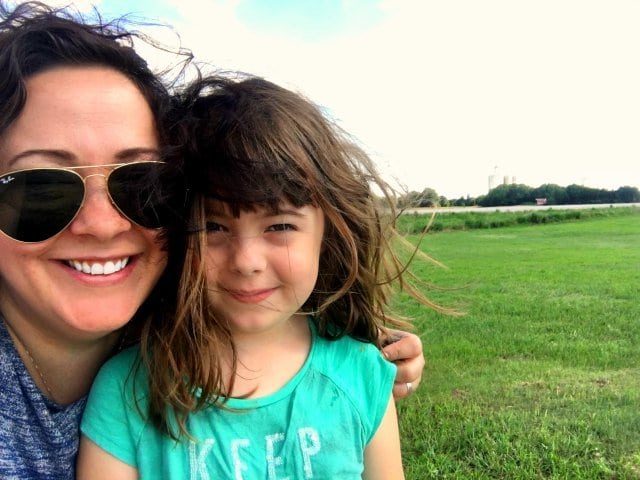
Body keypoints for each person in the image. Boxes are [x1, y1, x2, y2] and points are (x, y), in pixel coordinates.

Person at [0, 3, 425, 479]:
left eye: (140, 185)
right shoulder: (128, 390)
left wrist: (374, 352)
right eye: (41, 187)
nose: (102, 224)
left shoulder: (352, 370)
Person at [77, 75, 435, 479]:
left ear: (328, 235)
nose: (246, 261)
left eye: (280, 226)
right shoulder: (127, 391)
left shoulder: (362, 374)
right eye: (213, 227)